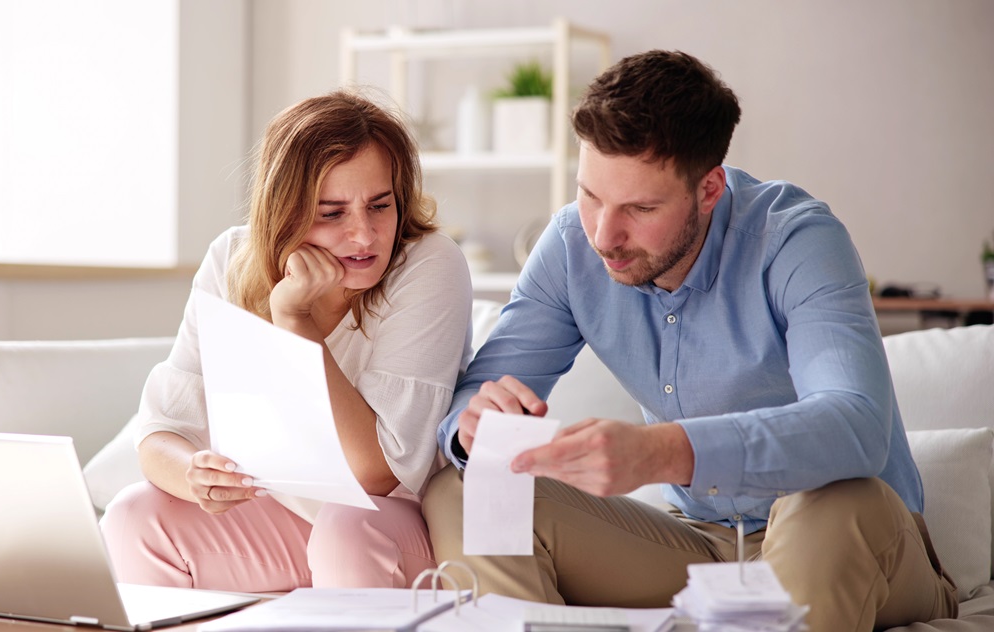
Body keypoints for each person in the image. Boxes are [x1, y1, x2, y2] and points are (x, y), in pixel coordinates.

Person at [423, 50, 957, 631]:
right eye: (591, 195)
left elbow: (855, 427)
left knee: (831, 501)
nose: (604, 234)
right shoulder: (572, 245)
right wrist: (474, 425)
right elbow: (475, 397)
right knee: (467, 489)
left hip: (856, 543)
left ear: (709, 189)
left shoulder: (797, 240)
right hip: (698, 549)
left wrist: (663, 451)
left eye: (641, 207)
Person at [101, 89, 473, 591]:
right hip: (291, 521)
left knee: (345, 527)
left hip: (400, 525)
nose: (364, 236)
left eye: (379, 206)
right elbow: (162, 430)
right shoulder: (232, 257)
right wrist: (194, 473)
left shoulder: (429, 263)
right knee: (133, 515)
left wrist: (296, 321)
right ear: (285, 212)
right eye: (332, 213)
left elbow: (377, 473)